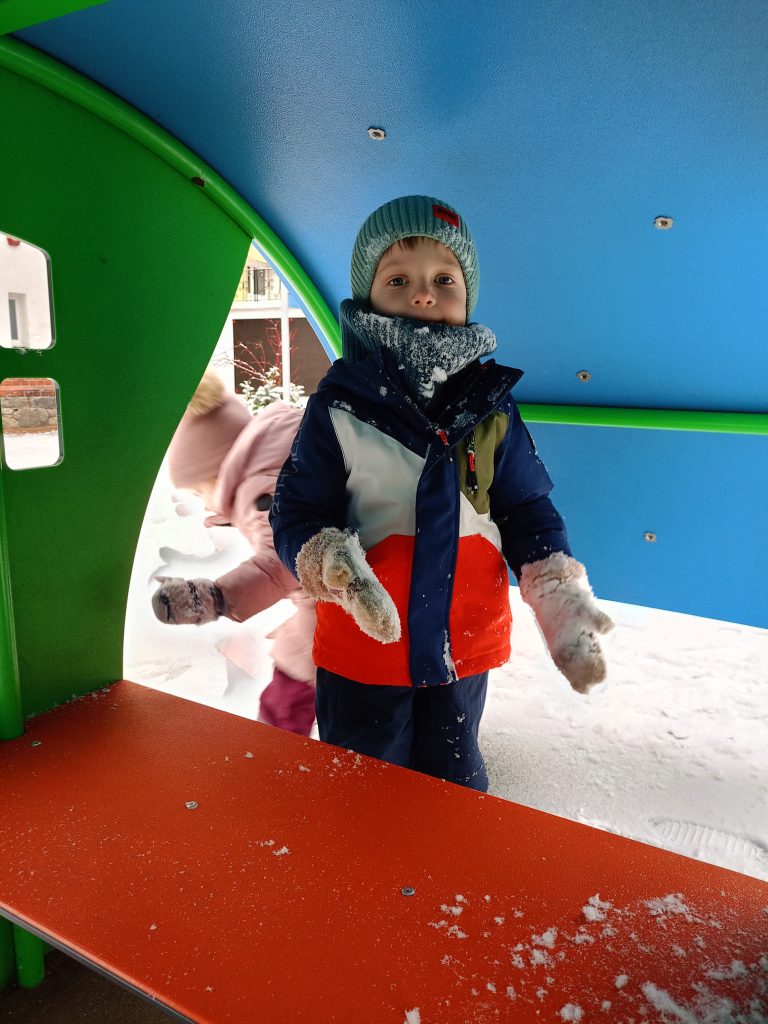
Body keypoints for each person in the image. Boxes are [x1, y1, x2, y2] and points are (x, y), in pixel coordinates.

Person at [270, 195, 613, 788]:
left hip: (462, 644)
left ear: (467, 296)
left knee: (452, 784)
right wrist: (326, 558)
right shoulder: (342, 405)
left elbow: (525, 507)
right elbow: (298, 509)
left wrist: (556, 593)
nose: (424, 294)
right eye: (398, 279)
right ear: (368, 297)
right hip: (363, 650)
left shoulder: (491, 407)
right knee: (364, 792)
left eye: (444, 280)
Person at [152, 371, 316, 735]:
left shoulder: (261, 494)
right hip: (362, 586)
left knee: (288, 694)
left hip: (336, 612)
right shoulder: (282, 451)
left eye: (200, 491)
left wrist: (214, 597)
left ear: (219, 471)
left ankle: (275, 758)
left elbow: (282, 564)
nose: (204, 502)